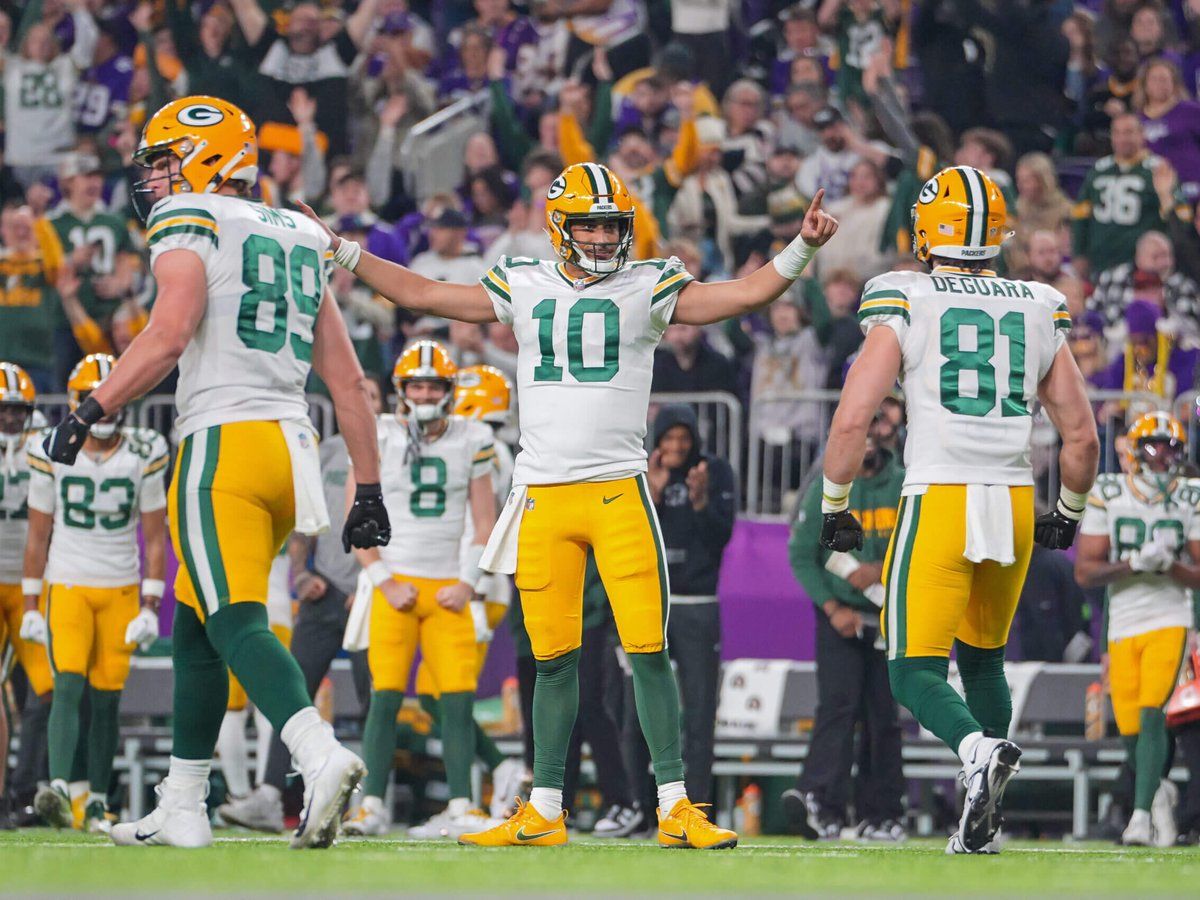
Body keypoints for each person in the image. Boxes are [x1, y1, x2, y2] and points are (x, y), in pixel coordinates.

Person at [300, 160, 839, 849]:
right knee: (552, 659)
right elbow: (427, 292)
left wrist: (803, 247)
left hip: (616, 487)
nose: (601, 236)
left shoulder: (650, 282)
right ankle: (545, 808)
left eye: (611, 225)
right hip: (544, 493)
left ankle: (674, 804)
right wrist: (345, 250)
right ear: (560, 226)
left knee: (647, 649)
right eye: (588, 222)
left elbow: (741, 295)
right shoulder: (523, 282)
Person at [39, 95, 390, 850]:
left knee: (232, 619)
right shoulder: (300, 229)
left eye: (165, 163)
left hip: (220, 446)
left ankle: (316, 752)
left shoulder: (190, 218)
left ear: (208, 163)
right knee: (197, 622)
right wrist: (368, 487)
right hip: (286, 451)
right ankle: (185, 802)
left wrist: (87, 409)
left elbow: (168, 335)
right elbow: (350, 380)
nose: (155, 181)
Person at [818, 165, 1100, 854]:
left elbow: (855, 417)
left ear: (926, 230)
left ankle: (975, 751)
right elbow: (1083, 435)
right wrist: (1066, 510)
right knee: (983, 662)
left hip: (940, 492)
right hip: (1010, 498)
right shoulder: (1037, 303)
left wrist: (835, 505)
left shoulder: (906, 294)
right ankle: (984, 820)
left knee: (911, 669)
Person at [342, 340, 497, 839]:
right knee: (384, 698)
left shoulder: (472, 437)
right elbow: (356, 518)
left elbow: (484, 521)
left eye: (433, 384)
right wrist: (382, 580)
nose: (425, 392)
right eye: (417, 384)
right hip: (394, 585)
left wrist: (468, 582)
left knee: (456, 699)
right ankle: (371, 805)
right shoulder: (380, 434)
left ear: (450, 390)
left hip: (447, 588)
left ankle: (460, 803)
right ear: (401, 390)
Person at [216, 378, 384, 834]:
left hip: (374, 592)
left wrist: (378, 579)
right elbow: (304, 518)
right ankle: (270, 796)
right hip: (325, 590)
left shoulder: (393, 447)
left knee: (377, 700)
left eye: (370, 395)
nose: (361, 402)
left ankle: (372, 804)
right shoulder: (326, 450)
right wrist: (303, 573)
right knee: (290, 691)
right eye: (357, 393)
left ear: (384, 404)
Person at [22, 354, 168, 834]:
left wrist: (150, 603)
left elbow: (154, 537)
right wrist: (29, 602)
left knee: (107, 699)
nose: (101, 411)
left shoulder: (144, 450)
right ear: (75, 402)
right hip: (67, 582)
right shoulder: (50, 451)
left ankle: (98, 802)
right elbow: (38, 535)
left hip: (121, 587)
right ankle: (63, 789)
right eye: (91, 402)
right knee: (67, 685)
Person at [1075, 412, 1200, 847]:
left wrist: (1171, 565)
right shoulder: (1109, 492)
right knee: (1129, 727)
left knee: (1152, 713)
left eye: (1169, 446)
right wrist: (1133, 563)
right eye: (1153, 444)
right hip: (1123, 620)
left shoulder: (1191, 494)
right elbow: (1085, 572)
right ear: (1134, 449)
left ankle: (1140, 816)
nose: (1161, 454)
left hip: (1170, 615)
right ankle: (1157, 794)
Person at [786, 411, 906, 842]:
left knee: (883, 716)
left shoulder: (906, 486)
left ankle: (885, 811)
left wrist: (882, 569)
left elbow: (924, 549)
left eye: (878, 426)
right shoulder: (826, 488)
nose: (869, 436)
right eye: (863, 427)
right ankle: (821, 803)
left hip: (890, 617)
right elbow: (802, 555)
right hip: (841, 619)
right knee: (836, 708)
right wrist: (833, 605)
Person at [639, 403, 736, 805]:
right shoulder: (643, 473)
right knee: (637, 711)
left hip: (697, 603)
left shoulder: (713, 471)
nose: (676, 445)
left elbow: (721, 536)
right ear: (657, 441)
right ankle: (638, 806)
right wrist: (654, 494)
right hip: (652, 602)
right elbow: (636, 540)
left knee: (699, 713)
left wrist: (699, 501)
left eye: (683, 437)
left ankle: (694, 804)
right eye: (669, 437)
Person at [0, 363, 55, 826]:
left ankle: (28, 792)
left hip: (31, 585)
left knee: (46, 690)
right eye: (4, 412)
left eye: (18, 412)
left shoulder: (46, 446)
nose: (11, 421)